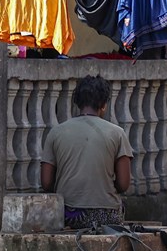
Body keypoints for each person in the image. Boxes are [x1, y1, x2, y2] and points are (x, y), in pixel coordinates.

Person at [40, 75, 133, 230]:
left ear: (78, 103)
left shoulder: (56, 132)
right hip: (107, 214)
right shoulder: (117, 133)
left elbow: (46, 183)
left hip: (68, 214)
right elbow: (123, 184)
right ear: (103, 104)